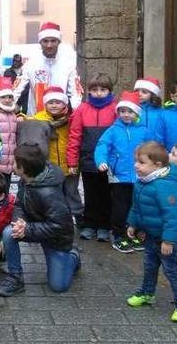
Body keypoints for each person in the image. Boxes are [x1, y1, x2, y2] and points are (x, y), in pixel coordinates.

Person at [0, 143, 79, 297]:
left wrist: (27, 229)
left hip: (56, 239)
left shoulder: (49, 193)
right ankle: (15, 278)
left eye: (15, 162)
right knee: (9, 232)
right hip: (35, 228)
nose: (12, 164)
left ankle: (73, 257)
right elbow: (20, 204)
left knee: (58, 286)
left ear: (23, 168)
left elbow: (59, 226)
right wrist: (19, 223)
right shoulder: (27, 179)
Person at [126, 141, 177, 323]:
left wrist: (169, 240)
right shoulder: (143, 181)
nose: (136, 165)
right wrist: (133, 224)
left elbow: (173, 216)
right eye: (136, 161)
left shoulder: (165, 186)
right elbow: (137, 206)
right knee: (150, 266)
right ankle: (147, 293)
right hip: (151, 235)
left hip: (169, 238)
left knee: (171, 270)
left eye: (141, 162)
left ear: (158, 165)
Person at [95, 92, 158, 253]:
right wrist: (101, 160)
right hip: (119, 176)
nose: (126, 115)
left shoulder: (144, 130)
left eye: (129, 111)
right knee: (120, 208)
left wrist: (155, 165)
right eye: (122, 111)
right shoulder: (113, 130)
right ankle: (118, 234)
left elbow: (152, 148)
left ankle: (133, 233)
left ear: (136, 113)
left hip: (139, 176)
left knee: (136, 206)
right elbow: (103, 145)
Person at [67, 73, 117, 242]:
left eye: (103, 89)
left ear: (109, 91)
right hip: (88, 158)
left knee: (106, 194)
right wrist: (72, 161)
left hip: (109, 160)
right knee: (90, 193)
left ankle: (104, 225)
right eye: (95, 90)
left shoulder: (115, 109)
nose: (99, 93)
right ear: (89, 91)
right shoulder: (82, 109)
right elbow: (75, 135)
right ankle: (90, 224)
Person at [21, 22, 82, 115]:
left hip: (61, 118)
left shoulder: (69, 64)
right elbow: (17, 88)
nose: (49, 45)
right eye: (45, 41)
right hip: (37, 118)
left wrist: (72, 108)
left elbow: (76, 92)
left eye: (53, 41)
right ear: (40, 42)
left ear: (59, 42)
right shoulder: (30, 64)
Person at [32, 86, 72, 176]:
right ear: (45, 104)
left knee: (70, 190)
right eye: (50, 103)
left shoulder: (71, 118)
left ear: (64, 104)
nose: (54, 105)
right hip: (49, 165)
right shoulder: (38, 118)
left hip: (68, 165)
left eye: (58, 103)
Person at [0, 76, 18, 178]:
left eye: (10, 97)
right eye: (3, 97)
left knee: (5, 191)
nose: (7, 100)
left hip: (9, 164)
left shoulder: (13, 114)